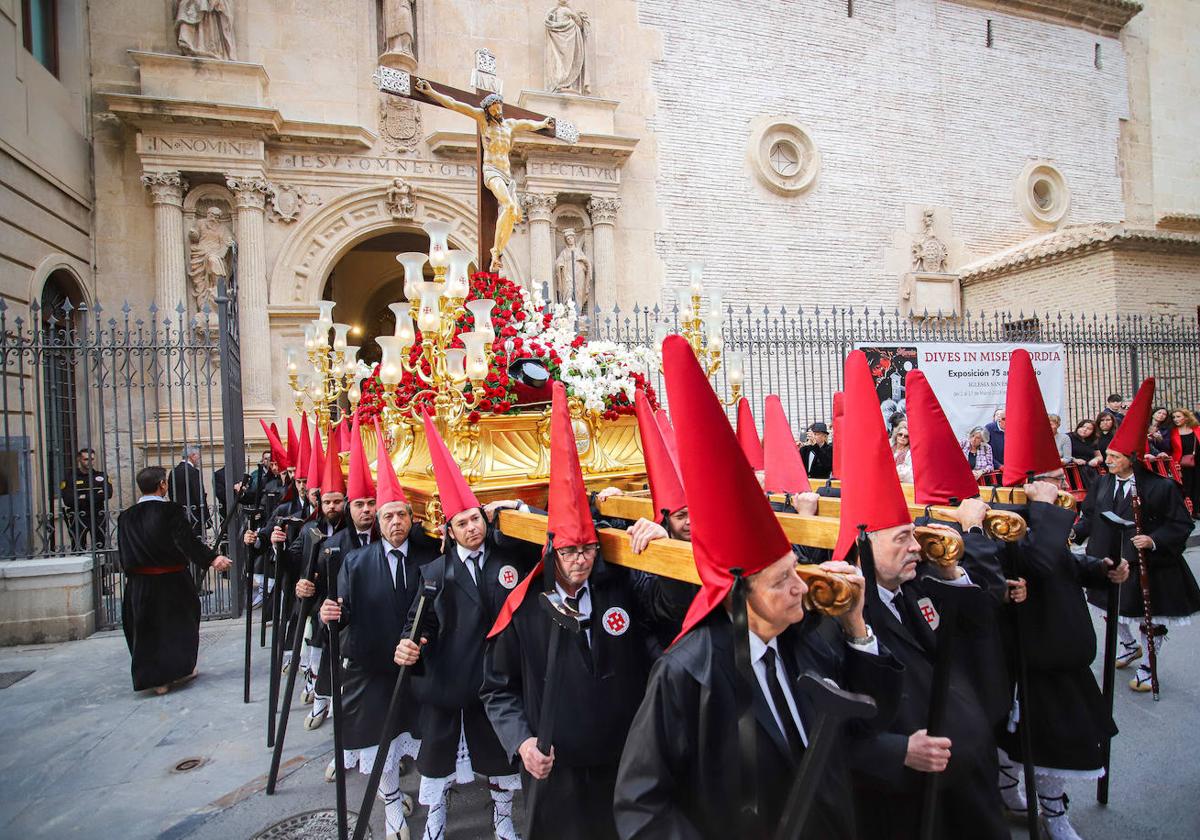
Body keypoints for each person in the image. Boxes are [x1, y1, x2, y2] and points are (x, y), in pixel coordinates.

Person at [613, 339, 902, 839]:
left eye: (794, 569)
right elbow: (640, 805)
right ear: (739, 591)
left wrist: (857, 628)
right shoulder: (688, 673)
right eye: (781, 579)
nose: (799, 587)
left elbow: (870, 718)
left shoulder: (806, 636)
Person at [482, 383, 688, 840]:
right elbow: (497, 688)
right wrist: (522, 743)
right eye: (572, 551)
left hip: (626, 760)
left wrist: (667, 550)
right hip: (558, 769)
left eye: (589, 549)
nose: (582, 560)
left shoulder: (620, 587)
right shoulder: (524, 608)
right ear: (552, 550)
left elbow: (671, 608)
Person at [994, 351, 1128, 839]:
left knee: (1062, 738)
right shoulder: (1008, 524)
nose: (1059, 487)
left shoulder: (1048, 519)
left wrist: (1101, 569)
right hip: (1032, 654)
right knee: (1030, 740)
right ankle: (1040, 809)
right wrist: (1047, 509)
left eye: (1057, 480)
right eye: (1049, 480)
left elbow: (1065, 563)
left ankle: (1048, 806)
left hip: (1065, 648)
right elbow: (1039, 562)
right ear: (1028, 485)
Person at [394, 413, 539, 840]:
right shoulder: (436, 572)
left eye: (476, 518)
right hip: (450, 679)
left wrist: (517, 508)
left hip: (497, 677)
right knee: (437, 759)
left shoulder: (508, 556)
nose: (473, 527)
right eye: (463, 523)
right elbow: (421, 623)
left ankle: (503, 818)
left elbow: (551, 536)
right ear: (450, 530)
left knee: (498, 758)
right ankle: (435, 817)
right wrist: (410, 643)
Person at [320, 427, 437, 840]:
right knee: (379, 747)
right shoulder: (356, 561)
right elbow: (346, 609)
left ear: (411, 516)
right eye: (386, 516)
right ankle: (392, 810)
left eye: (400, 514)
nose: (394, 522)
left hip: (418, 670)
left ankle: (433, 807)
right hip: (371, 668)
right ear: (377, 521)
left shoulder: (429, 555)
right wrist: (331, 612)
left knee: (424, 741)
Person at [1075, 383, 1200, 693]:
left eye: (1115, 456)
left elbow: (1180, 523)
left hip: (1147, 561)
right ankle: (1129, 646)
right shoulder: (1103, 484)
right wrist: (1074, 532)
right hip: (1108, 556)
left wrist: (1153, 539)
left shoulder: (1161, 487)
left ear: (1131, 458)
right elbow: (1090, 515)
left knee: (1148, 617)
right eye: (1108, 455)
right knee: (1110, 609)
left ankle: (1149, 665)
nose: (1108, 460)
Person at [118, 466, 232, 693]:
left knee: (145, 630)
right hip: (171, 581)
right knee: (178, 627)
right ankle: (179, 671)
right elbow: (186, 542)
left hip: (139, 584)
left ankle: (155, 680)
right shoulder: (171, 511)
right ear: (162, 485)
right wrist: (212, 559)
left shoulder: (125, 517)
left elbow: (124, 554)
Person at [59, 447, 112, 550]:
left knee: (100, 546)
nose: (89, 462)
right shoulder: (70, 477)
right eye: (86, 459)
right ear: (79, 459)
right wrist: (95, 494)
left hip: (97, 515)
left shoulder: (100, 476)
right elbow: (68, 500)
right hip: (78, 515)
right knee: (78, 547)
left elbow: (108, 494)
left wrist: (82, 496)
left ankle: (102, 566)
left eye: (92, 459)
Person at [169, 444, 211, 538]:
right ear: (192, 456)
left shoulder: (173, 471)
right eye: (198, 456)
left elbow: (171, 494)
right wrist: (206, 517)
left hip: (179, 515)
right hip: (194, 516)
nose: (199, 459)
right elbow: (199, 496)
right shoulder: (193, 472)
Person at [1167, 407, 1199, 515]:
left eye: (1178, 416)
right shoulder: (1172, 432)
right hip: (1181, 463)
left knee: (1198, 485)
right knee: (1186, 487)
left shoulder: (1196, 428)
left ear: (1186, 417)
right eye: (1174, 417)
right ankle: (1186, 511)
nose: (1176, 419)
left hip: (1197, 461)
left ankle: (1196, 510)